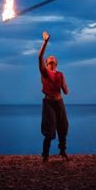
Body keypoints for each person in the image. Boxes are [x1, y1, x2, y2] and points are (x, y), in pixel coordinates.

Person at [38, 31, 69, 163]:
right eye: (49, 57)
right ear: (46, 62)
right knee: (49, 131)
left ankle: (62, 151)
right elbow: (39, 57)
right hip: (49, 103)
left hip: (59, 103)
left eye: (53, 58)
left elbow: (65, 90)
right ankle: (45, 155)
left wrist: (66, 88)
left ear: (56, 62)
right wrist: (45, 42)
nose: (51, 58)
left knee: (63, 127)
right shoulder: (45, 72)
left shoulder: (60, 74)